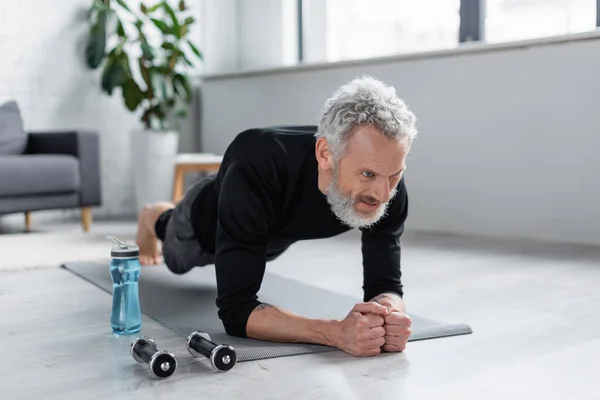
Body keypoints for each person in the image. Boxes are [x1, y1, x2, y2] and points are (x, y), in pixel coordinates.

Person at [135, 75, 418, 357]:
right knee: (176, 258)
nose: (383, 194)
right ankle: (156, 216)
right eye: (367, 174)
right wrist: (335, 333)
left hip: (268, 234)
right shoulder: (256, 163)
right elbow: (236, 312)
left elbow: (386, 285)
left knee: (259, 248)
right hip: (202, 227)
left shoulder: (386, 178)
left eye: (395, 175)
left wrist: (389, 314)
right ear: (325, 154)